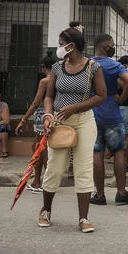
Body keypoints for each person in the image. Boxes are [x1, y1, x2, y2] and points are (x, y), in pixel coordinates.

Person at [38, 21, 107, 233]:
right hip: (59, 120)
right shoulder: (58, 68)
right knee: (55, 167)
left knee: (83, 167)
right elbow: (50, 96)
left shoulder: (93, 67)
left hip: (84, 121)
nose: (58, 47)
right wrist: (49, 115)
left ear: (72, 46)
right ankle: (45, 210)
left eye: (61, 43)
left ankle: (83, 218)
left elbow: (101, 96)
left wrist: (75, 107)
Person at [90, 34, 128, 206]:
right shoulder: (115, 65)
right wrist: (121, 98)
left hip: (92, 112)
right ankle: (121, 192)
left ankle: (100, 195)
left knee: (97, 153)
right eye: (112, 44)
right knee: (118, 151)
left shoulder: (88, 64)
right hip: (112, 111)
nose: (114, 46)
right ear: (106, 47)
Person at [15, 51, 56, 191]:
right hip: (55, 114)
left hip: (43, 116)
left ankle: (40, 181)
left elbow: (36, 103)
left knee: (40, 148)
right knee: (41, 148)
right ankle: (42, 180)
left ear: (43, 66)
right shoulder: (59, 78)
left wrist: (23, 120)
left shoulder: (45, 81)